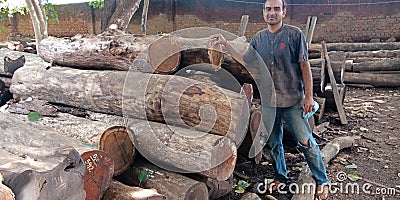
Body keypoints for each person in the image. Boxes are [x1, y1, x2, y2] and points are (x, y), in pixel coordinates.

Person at [211, 0, 330, 199]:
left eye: (276, 9)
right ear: (263, 12)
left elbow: (304, 66)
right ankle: (280, 177)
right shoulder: (258, 38)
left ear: (284, 11)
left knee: (306, 141)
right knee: (274, 143)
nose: (272, 13)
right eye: (268, 9)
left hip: (293, 100)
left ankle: (322, 180)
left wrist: (309, 96)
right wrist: (226, 45)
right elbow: (245, 59)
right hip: (269, 102)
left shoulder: (294, 35)